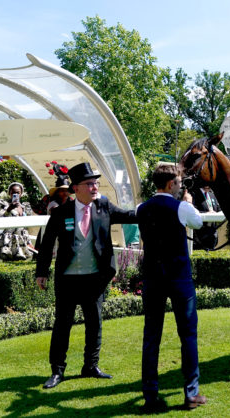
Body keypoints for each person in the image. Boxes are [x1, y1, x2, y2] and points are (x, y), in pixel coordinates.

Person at [35, 163, 138, 389]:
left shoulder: (103, 206)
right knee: (62, 324)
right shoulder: (61, 212)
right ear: (76, 188)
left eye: (96, 183)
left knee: (95, 324)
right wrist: (41, 272)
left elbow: (129, 216)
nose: (95, 187)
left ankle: (90, 366)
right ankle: (57, 371)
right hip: (67, 279)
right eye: (89, 183)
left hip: (95, 278)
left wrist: (158, 207)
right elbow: (46, 243)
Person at [137, 163, 207, 412]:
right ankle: (191, 393)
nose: (181, 187)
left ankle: (150, 395)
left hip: (153, 279)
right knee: (188, 335)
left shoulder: (141, 209)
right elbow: (198, 223)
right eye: (179, 183)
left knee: (151, 337)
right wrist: (188, 201)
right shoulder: (182, 207)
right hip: (179, 279)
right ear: (170, 184)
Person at [189, 185, 221, 251]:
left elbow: (218, 209)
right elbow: (192, 210)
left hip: (212, 233)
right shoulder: (194, 194)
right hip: (199, 235)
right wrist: (206, 213)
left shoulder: (212, 194)